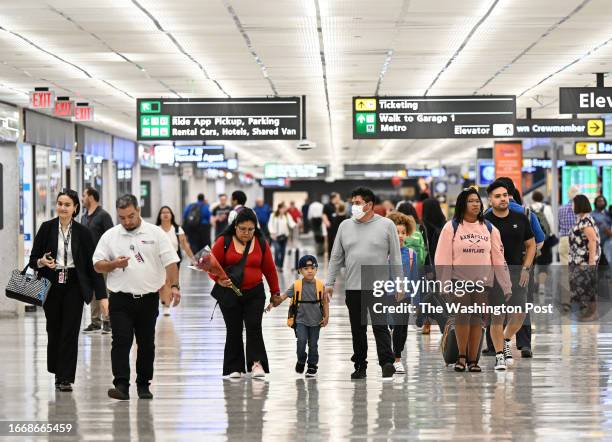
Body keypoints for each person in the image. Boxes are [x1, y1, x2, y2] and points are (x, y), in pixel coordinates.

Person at [93, 194, 181, 400]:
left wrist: (175, 286)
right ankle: (121, 385)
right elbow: (97, 264)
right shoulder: (110, 236)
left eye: (130, 216)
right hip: (120, 299)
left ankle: (143, 384)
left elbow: (171, 262)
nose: (127, 221)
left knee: (146, 343)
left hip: (148, 299)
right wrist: (113, 264)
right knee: (121, 341)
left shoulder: (156, 233)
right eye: (122, 217)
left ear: (138, 210)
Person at [30, 189, 107, 392]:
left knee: (70, 332)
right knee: (54, 329)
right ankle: (57, 371)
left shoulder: (83, 232)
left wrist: (102, 296)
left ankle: (66, 378)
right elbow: (33, 260)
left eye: (67, 205)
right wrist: (42, 262)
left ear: (75, 208)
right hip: (51, 284)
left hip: (74, 283)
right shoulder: (46, 228)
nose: (62, 208)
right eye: (60, 204)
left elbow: (93, 267)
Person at [325, 187, 402, 380]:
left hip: (378, 285)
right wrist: (329, 282)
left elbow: (395, 257)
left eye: (357, 203)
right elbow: (335, 256)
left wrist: (400, 283)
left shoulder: (387, 225)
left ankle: (387, 362)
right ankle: (360, 365)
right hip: (353, 286)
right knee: (357, 329)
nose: (354, 206)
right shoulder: (345, 226)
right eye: (352, 203)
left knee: (380, 325)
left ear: (369, 205)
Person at [435, 187, 511, 373]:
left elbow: (498, 258)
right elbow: (442, 257)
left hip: (482, 283)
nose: (476, 204)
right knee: (462, 317)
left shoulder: (489, 228)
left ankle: (472, 359)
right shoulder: (451, 227)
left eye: (477, 201)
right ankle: (461, 356)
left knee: (477, 319)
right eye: (471, 201)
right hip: (458, 281)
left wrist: (506, 284)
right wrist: (443, 283)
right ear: (462, 204)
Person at [210, 208, 280, 378]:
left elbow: (270, 269)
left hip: (255, 293)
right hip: (230, 293)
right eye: (242, 229)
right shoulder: (223, 241)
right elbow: (210, 263)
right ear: (235, 226)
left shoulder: (261, 243)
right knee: (233, 329)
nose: (246, 233)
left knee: (254, 327)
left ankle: (257, 364)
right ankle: (234, 367)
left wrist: (275, 292)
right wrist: (217, 279)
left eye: (250, 229)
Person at [484, 180, 536, 371]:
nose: (502, 199)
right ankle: (499, 355)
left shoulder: (520, 218)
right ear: (490, 200)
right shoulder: (485, 221)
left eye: (505, 195)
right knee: (497, 316)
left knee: (520, 313)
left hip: (517, 272)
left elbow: (531, 245)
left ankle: (506, 340)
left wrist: (526, 268)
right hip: (495, 275)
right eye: (497, 196)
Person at [267, 255, 329, 378]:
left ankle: (312, 366)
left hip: (316, 320)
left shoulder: (321, 286)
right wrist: (272, 304)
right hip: (300, 320)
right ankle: (301, 360)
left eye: (313, 267)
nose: (310, 271)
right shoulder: (296, 285)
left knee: (313, 344)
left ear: (317, 269)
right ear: (300, 271)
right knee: (301, 341)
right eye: (306, 268)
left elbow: (325, 302)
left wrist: (327, 317)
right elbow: (283, 297)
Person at [386, 212, 418, 374]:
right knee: (390, 327)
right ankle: (391, 357)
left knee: (401, 328)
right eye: (396, 232)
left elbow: (415, 279)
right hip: (386, 296)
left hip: (404, 298)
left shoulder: (412, 254)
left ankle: (397, 358)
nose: (400, 236)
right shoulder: (383, 254)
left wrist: (418, 304)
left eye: (403, 233)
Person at [80, 187, 114, 335]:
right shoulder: (84, 217)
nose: (82, 198)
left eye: (84, 195)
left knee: (104, 290)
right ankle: (95, 322)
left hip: (103, 259)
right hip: (88, 260)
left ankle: (108, 320)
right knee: (93, 291)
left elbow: (112, 236)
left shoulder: (103, 216)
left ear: (91, 197)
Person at [156, 206, 196, 316]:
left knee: (169, 282)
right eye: (163, 212)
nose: (165, 214)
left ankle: (166, 305)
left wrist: (193, 259)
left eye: (167, 212)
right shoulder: (156, 229)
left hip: (174, 261)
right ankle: (164, 303)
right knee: (163, 283)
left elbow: (185, 246)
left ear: (171, 215)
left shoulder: (178, 229)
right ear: (159, 215)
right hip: (159, 260)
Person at [397, 201, 430, 333]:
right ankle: (422, 317)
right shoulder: (420, 227)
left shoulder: (397, 228)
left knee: (400, 293)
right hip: (419, 265)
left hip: (402, 265)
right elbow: (426, 248)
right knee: (420, 293)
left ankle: (398, 319)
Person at [568, 195, 601, 319]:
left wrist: (591, 261)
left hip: (584, 260)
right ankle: (588, 311)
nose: (572, 206)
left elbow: (592, 241)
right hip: (578, 259)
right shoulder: (581, 219)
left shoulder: (585, 221)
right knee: (582, 285)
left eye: (573, 204)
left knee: (587, 285)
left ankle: (592, 313)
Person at [530, 191, 556, 296]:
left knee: (532, 262)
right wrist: (552, 235)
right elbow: (551, 223)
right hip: (544, 240)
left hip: (531, 240)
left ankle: (534, 284)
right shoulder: (547, 208)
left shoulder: (528, 208)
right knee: (544, 264)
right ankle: (541, 286)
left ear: (533, 198)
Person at [268, 202, 296, 271]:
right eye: (283, 208)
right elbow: (270, 224)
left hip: (284, 236)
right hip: (275, 236)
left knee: (283, 252)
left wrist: (295, 225)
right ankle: (277, 265)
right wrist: (272, 232)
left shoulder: (287, 215)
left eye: (285, 208)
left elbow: (291, 222)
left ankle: (281, 266)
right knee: (277, 250)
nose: (285, 209)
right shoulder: (273, 215)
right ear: (279, 208)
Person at [558, 185, 581, 265]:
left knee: (565, 265)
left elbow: (559, 224)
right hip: (577, 238)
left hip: (564, 239)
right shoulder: (581, 209)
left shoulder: (561, 209)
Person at [592, 196, 612, 268]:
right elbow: (603, 227)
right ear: (595, 203)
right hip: (597, 243)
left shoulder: (608, 213)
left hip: (608, 242)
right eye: (599, 201)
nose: (601, 202)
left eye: (602, 201)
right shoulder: (592, 215)